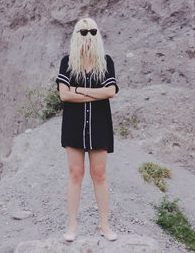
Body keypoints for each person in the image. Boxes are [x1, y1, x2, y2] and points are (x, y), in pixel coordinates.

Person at [55, 17, 119, 242]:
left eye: (92, 31)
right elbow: (64, 95)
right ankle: (72, 226)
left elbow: (110, 91)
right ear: (76, 35)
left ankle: (105, 225)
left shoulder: (106, 61)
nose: (88, 36)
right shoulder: (67, 62)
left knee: (99, 175)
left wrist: (79, 91)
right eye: (83, 32)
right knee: (75, 174)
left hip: (100, 125)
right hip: (73, 126)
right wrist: (95, 93)